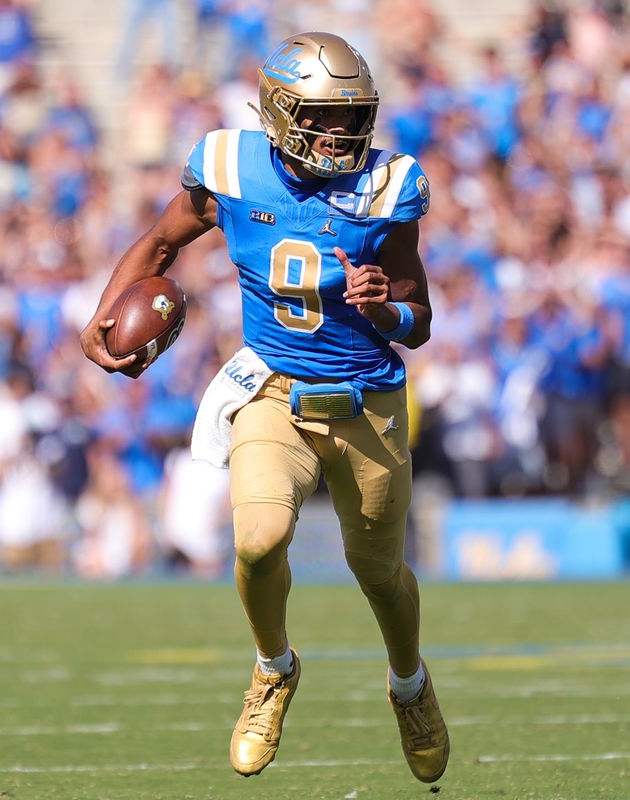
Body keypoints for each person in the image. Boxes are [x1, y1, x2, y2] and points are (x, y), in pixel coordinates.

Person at [79, 32, 450, 783]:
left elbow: (420, 319)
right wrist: (103, 312)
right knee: (257, 537)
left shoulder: (388, 185)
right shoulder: (231, 168)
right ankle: (273, 669)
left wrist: (385, 308)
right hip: (273, 390)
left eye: (353, 119)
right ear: (280, 112)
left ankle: (409, 684)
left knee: (378, 571)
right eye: (323, 118)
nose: (341, 135)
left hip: (366, 400)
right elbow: (157, 244)